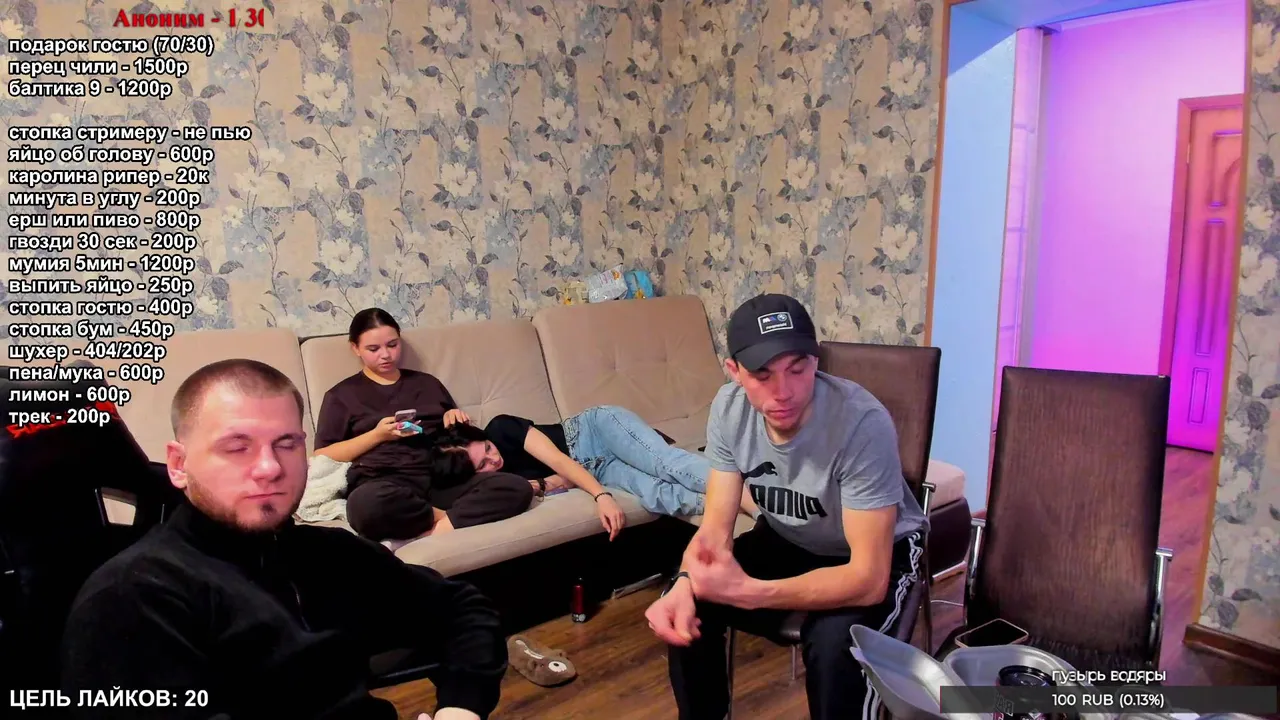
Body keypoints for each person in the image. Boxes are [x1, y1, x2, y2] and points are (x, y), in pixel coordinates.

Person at [59, 359, 507, 720]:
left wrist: (460, 708)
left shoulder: (330, 554)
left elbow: (464, 609)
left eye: (287, 444)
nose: (270, 468)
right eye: (238, 446)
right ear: (179, 465)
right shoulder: (136, 596)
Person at [644, 293, 929, 720]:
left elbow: (868, 579)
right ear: (734, 371)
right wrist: (686, 582)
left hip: (876, 554)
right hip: (789, 535)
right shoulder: (729, 409)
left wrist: (752, 594)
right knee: (687, 602)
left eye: (797, 369)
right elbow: (714, 533)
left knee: (835, 648)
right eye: (762, 375)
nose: (783, 392)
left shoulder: (861, 423)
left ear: (815, 361)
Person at [313, 308, 533, 543]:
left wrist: (453, 417)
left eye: (392, 345)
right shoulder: (341, 396)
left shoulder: (426, 383)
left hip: (440, 478)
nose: (386, 355)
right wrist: (378, 435)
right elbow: (322, 455)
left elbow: (456, 438)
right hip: (384, 482)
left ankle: (436, 526)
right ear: (355, 348)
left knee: (516, 486)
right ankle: (444, 516)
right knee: (364, 507)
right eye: (373, 349)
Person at [427, 408, 759, 540]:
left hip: (595, 432)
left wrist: (601, 496)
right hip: (599, 468)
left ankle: (757, 506)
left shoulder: (502, 427)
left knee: (666, 464)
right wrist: (551, 483)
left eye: (487, 449)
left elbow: (560, 462)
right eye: (482, 466)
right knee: (658, 495)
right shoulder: (493, 484)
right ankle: (736, 504)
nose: (493, 460)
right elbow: (559, 481)